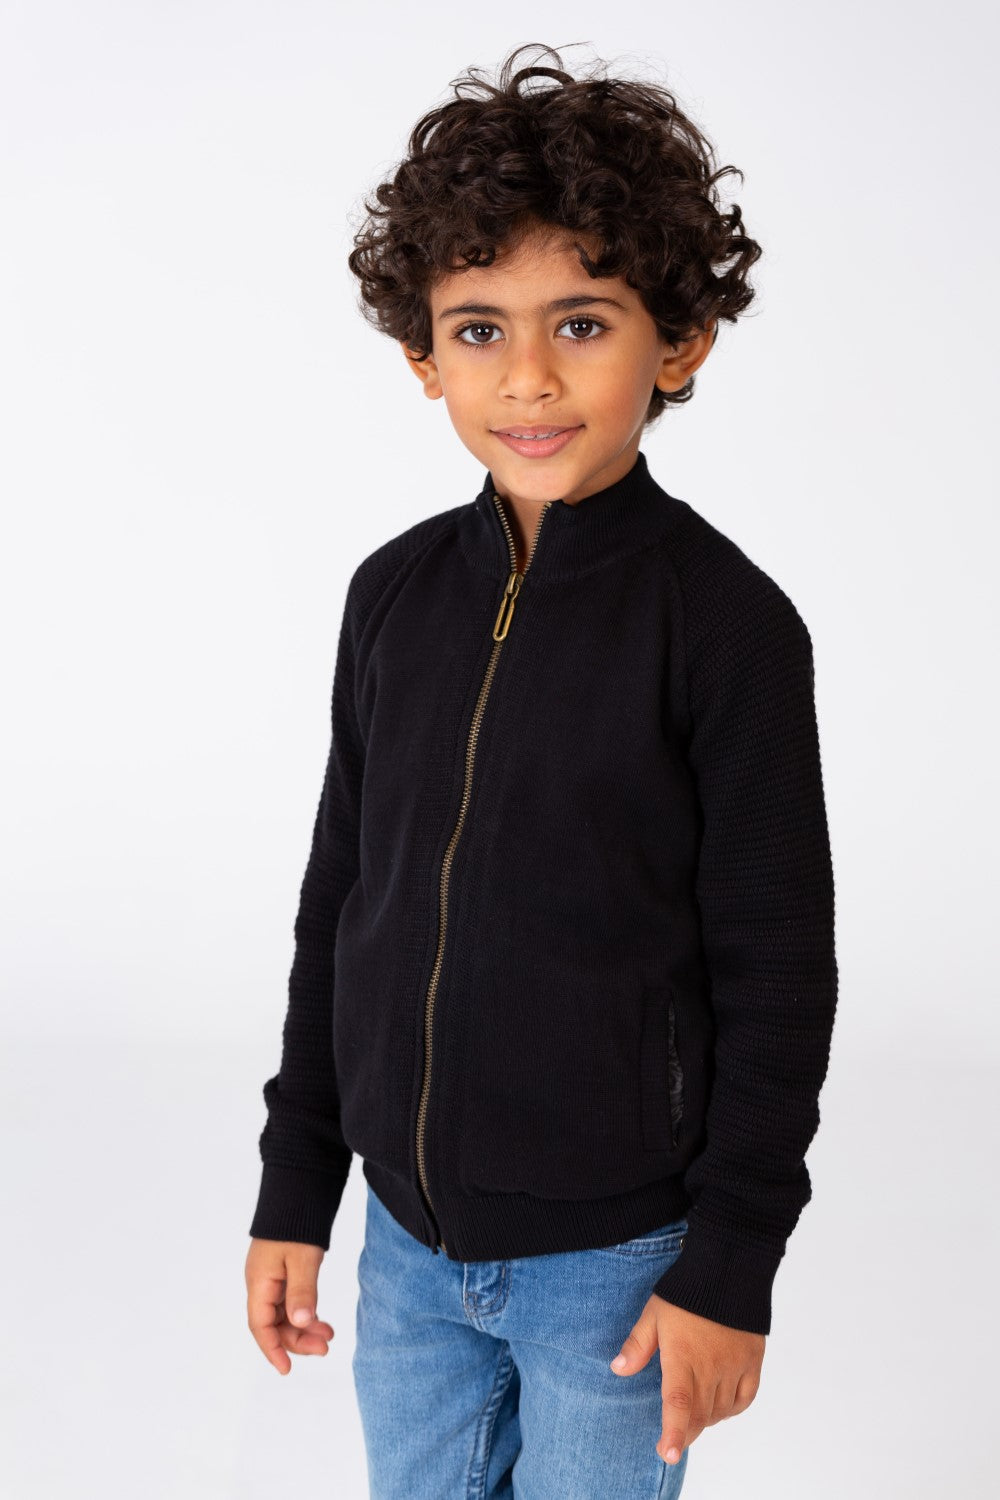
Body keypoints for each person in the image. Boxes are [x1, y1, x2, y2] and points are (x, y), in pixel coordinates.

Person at [244, 42, 838, 1499]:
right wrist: (295, 1188)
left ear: (680, 343)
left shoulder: (727, 627)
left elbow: (779, 973)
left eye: (581, 322)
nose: (527, 377)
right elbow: (341, 907)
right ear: (422, 358)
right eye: (478, 328)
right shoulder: (391, 597)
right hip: (407, 1255)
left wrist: (731, 1267)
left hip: (618, 1271)